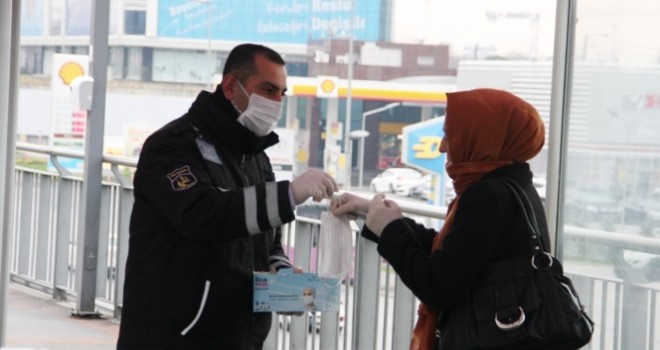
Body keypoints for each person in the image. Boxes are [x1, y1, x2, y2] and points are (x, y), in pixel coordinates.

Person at [117, 43, 338, 349]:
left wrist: (282, 275)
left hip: (240, 336)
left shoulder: (255, 157)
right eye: (268, 90)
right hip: (176, 335)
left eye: (281, 94)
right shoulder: (172, 146)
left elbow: (267, 240)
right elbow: (203, 215)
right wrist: (289, 193)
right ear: (232, 86)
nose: (276, 102)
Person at [331, 88, 547, 350]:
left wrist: (390, 228)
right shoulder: (516, 188)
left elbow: (436, 285)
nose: (443, 146)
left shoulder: (488, 196)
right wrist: (373, 212)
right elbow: (454, 251)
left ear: (481, 137)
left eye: (449, 135)